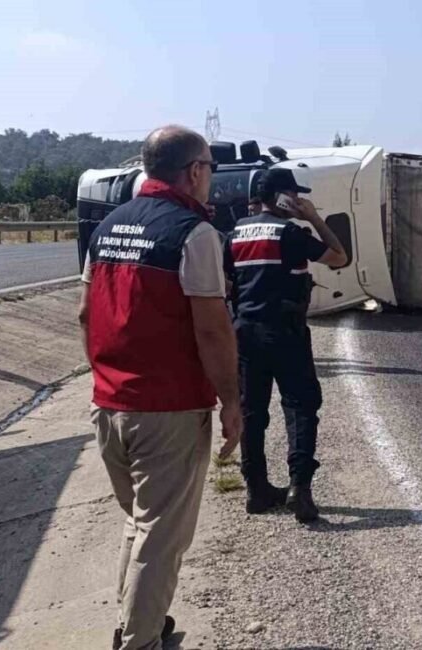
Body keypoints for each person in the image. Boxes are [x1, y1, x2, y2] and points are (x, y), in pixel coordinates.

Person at [78, 125, 241, 649]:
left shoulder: (107, 228)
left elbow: (86, 313)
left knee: (141, 523)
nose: (210, 181)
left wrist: (105, 378)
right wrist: (233, 402)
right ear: (195, 171)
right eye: (210, 170)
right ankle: (139, 643)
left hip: (109, 404)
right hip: (166, 408)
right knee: (161, 538)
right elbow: (212, 328)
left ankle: (136, 624)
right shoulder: (194, 235)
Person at [226, 168, 347, 522]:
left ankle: (256, 489)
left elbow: (227, 282)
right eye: (295, 196)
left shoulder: (233, 233)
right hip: (286, 332)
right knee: (300, 406)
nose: (298, 201)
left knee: (253, 411)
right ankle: (300, 489)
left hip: (245, 332)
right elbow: (340, 257)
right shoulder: (291, 232)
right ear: (282, 197)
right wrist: (313, 217)